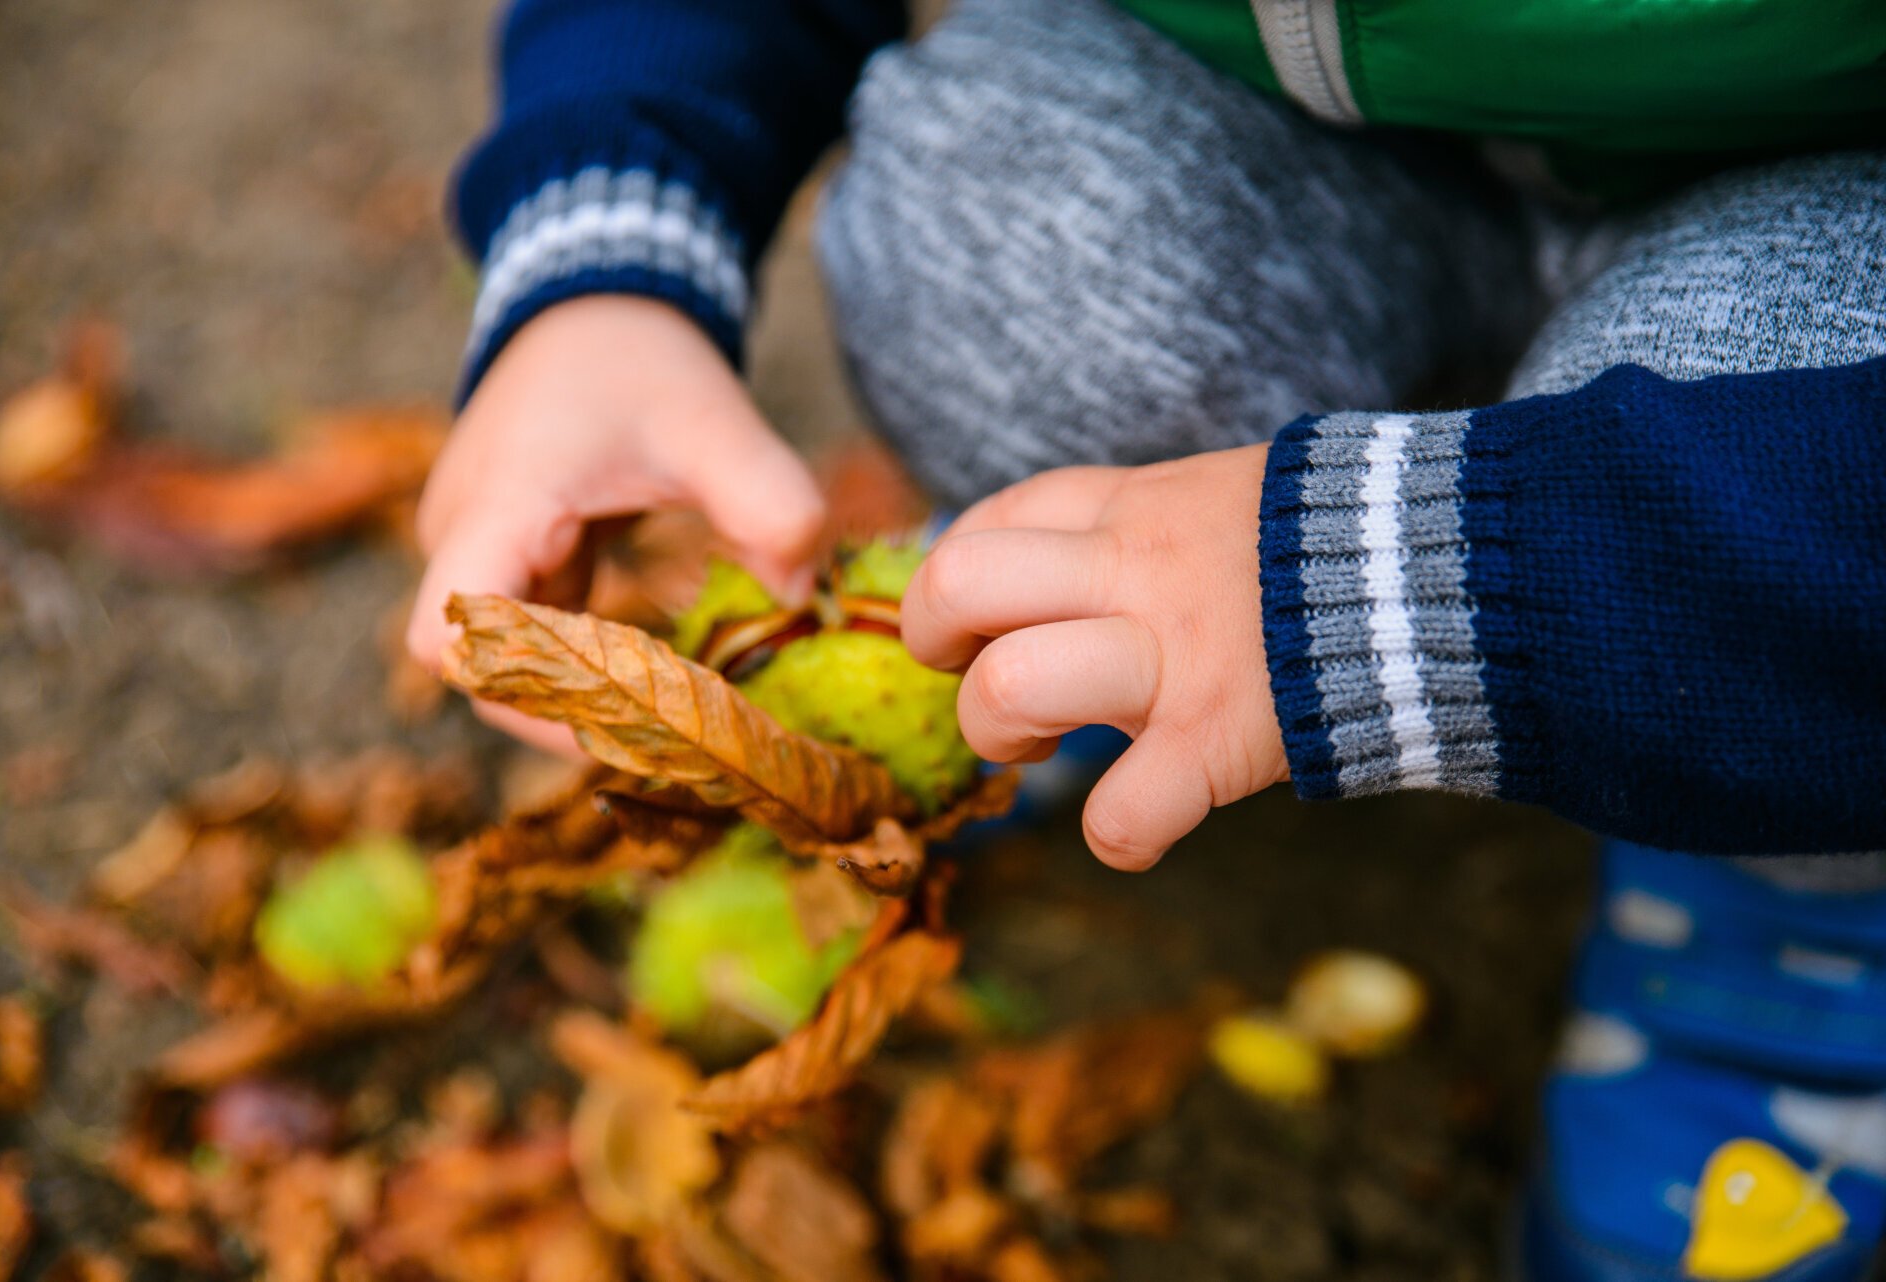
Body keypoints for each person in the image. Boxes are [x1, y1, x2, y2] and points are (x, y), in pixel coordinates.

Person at [405, 1, 1886, 1276]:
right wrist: (607, 253)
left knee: (1754, 362)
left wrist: (1394, 581)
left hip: (1825, 213)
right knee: (1002, 216)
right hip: (1327, 133)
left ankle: (1799, 915)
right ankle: (1115, 619)